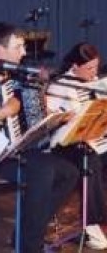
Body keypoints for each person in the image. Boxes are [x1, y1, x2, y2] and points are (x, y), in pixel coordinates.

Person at [0, 22, 79, 253]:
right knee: (43, 171)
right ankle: (30, 245)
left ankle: (26, 230)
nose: (24, 52)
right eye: (18, 47)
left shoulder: (4, 73)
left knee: (69, 173)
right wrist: (5, 111)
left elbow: (24, 112)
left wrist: (50, 117)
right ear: (0, 49)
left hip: (11, 151)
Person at [47, 42, 107, 249]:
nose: (94, 73)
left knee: (92, 152)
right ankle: (92, 224)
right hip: (65, 145)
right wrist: (66, 117)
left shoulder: (96, 83)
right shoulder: (60, 86)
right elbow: (50, 124)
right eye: (89, 69)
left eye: (96, 68)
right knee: (90, 158)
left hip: (93, 138)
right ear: (75, 66)